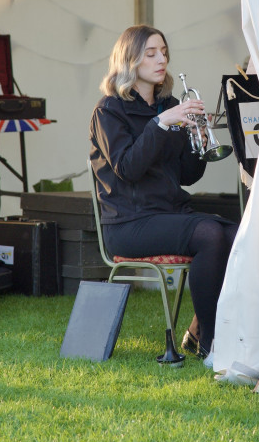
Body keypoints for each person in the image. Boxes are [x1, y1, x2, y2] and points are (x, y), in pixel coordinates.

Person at [89, 25, 236, 360]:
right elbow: (127, 168)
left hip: (169, 214)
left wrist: (197, 140)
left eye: (164, 53)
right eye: (151, 53)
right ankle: (212, 344)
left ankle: (201, 331)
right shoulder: (109, 110)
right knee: (210, 234)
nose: (161, 60)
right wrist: (161, 125)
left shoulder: (169, 104)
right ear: (129, 59)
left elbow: (187, 175)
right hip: (128, 223)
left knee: (238, 234)